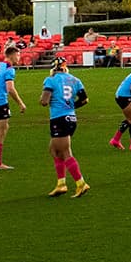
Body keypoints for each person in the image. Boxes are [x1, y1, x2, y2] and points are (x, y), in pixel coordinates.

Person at [39, 59, 90, 198]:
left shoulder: (51, 80)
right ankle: (61, 184)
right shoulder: (75, 80)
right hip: (71, 118)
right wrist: (71, 106)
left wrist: (44, 100)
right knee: (54, 150)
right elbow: (85, 100)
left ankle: (81, 183)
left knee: (65, 152)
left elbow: (44, 101)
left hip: (59, 118)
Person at [0, 45, 29, 171]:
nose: (19, 57)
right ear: (11, 55)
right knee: (1, 131)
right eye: (18, 54)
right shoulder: (9, 69)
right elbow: (10, 89)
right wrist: (20, 103)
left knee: (3, 128)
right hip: (0, 102)